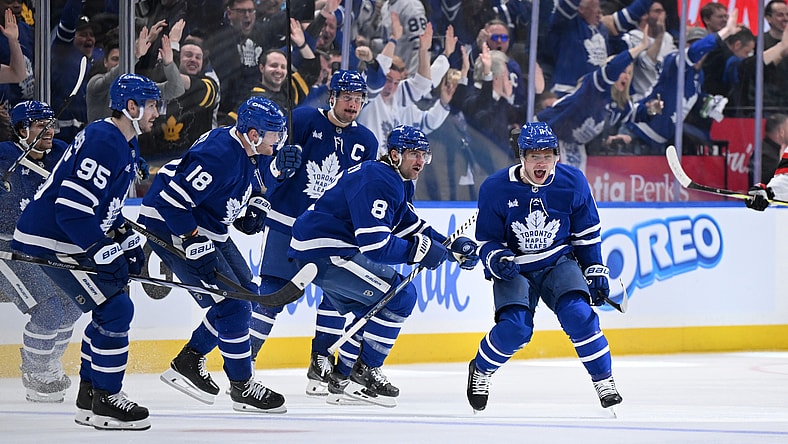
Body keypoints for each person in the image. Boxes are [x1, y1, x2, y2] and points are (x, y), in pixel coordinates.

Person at [289, 125, 479, 407]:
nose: (419, 161)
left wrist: (451, 249)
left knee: (374, 308)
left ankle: (342, 379)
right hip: (325, 251)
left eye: (423, 155)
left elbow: (409, 226)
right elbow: (376, 246)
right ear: (394, 154)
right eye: (413, 153)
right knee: (401, 296)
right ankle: (364, 371)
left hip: (322, 249)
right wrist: (420, 253)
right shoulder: (379, 179)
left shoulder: (395, 179)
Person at [11, 73, 160, 430]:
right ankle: (106, 399)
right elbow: (71, 209)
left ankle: (91, 395)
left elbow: (101, 207)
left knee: (111, 306)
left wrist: (124, 239)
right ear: (132, 107)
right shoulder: (105, 140)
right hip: (50, 240)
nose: (159, 111)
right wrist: (101, 250)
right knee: (117, 308)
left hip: (65, 237)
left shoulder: (122, 141)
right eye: (153, 104)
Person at [138, 96, 299, 414]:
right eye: (274, 134)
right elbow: (172, 202)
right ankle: (242, 386)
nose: (278, 141)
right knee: (234, 305)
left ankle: (189, 360)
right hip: (171, 223)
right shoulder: (219, 154)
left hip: (208, 225)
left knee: (246, 294)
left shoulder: (253, 150)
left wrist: (262, 199)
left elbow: (250, 194)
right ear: (253, 134)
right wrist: (192, 240)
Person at [466, 121, 621, 413]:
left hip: (557, 261)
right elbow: (487, 240)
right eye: (535, 156)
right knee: (515, 330)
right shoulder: (495, 188)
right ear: (522, 157)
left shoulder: (572, 182)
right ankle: (481, 369)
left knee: (580, 315)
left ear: (557, 156)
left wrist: (595, 270)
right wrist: (497, 259)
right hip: (515, 266)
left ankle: (604, 380)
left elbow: (585, 235)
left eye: (548, 155)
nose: (542, 162)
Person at [251, 70, 378, 398]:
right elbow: (267, 169)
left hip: (332, 233)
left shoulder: (366, 141)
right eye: (347, 97)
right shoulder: (304, 119)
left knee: (338, 297)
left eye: (358, 99)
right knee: (274, 293)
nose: (353, 104)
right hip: (287, 222)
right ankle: (243, 362)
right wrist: (280, 166)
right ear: (332, 96)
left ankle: (320, 361)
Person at [0, 101, 82, 403]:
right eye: (39, 124)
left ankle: (48, 362)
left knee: (72, 305)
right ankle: (35, 371)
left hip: (43, 246)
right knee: (48, 310)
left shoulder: (60, 152)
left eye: (50, 123)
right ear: (22, 130)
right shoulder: (4, 156)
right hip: (6, 247)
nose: (49, 129)